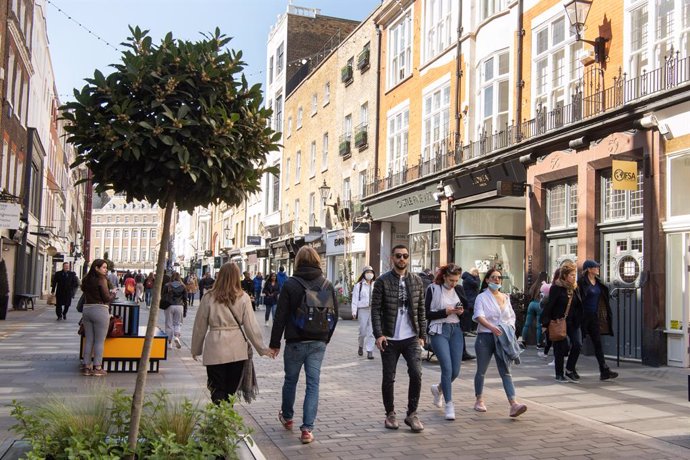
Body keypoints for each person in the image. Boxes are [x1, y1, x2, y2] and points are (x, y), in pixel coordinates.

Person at [270, 246, 338, 445]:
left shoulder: (291, 284)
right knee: (313, 384)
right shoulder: (326, 284)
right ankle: (307, 429)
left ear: (298, 261)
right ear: (317, 261)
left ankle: (288, 417)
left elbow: (280, 317)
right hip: (318, 343)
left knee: (290, 381)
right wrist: (326, 338)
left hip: (295, 342)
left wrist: (275, 344)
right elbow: (333, 317)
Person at [192, 263, 273, 404]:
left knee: (216, 388)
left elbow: (200, 326)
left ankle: (219, 419)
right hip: (236, 349)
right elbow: (251, 326)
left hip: (215, 347)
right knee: (230, 391)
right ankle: (225, 418)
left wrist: (196, 349)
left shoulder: (209, 297)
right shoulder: (243, 297)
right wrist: (262, 348)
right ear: (237, 277)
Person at [371, 244, 427, 433]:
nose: (402, 259)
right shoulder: (382, 281)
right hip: (390, 338)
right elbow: (376, 310)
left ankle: (412, 414)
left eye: (405, 256)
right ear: (392, 259)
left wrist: (422, 335)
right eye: (398, 256)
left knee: (416, 374)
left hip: (411, 337)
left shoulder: (417, 281)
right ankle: (390, 414)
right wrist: (379, 334)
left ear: (408, 258)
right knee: (389, 377)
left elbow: (421, 310)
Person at [472, 268, 527, 417]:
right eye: (493, 277)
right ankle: (479, 399)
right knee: (481, 370)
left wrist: (510, 330)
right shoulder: (482, 297)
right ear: (487, 280)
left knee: (506, 371)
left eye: (499, 278)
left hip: (502, 337)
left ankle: (513, 404)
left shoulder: (505, 297)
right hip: (485, 337)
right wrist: (491, 327)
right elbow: (478, 316)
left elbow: (511, 317)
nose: (497, 280)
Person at [425, 263, 468, 421]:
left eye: (456, 280)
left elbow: (466, 309)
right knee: (447, 368)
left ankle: (438, 389)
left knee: (455, 370)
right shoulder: (433, 289)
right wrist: (445, 312)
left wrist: (461, 311)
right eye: (451, 280)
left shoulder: (459, 289)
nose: (453, 283)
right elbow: (427, 313)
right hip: (438, 330)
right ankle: (449, 404)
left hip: (456, 329)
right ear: (444, 277)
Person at [542, 262, 583, 383]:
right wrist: (545, 323)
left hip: (573, 322)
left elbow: (578, 305)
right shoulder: (556, 288)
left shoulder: (575, 288)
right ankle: (559, 373)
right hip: (559, 321)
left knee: (577, 344)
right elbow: (550, 306)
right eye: (571, 275)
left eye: (574, 275)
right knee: (560, 348)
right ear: (564, 275)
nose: (573, 277)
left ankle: (570, 369)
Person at [578, 260, 618, 381]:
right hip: (582, 317)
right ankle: (569, 368)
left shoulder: (598, 283)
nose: (598, 268)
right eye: (595, 267)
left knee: (598, 343)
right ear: (589, 269)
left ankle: (604, 370)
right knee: (577, 343)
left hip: (594, 317)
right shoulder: (581, 283)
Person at [80, 259, 113, 377]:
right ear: (96, 268)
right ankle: (97, 367)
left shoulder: (86, 280)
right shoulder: (101, 279)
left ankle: (86, 367)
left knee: (89, 339)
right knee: (99, 341)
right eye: (104, 267)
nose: (106, 269)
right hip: (100, 310)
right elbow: (106, 298)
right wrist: (113, 293)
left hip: (87, 310)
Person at [351, 266, 376, 360]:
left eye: (371, 272)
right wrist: (354, 311)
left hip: (373, 310)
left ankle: (370, 351)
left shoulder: (376, 284)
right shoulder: (359, 285)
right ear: (364, 274)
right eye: (367, 272)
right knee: (362, 332)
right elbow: (355, 299)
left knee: (371, 332)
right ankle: (360, 346)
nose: (369, 274)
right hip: (362, 310)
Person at [519, 271, 549, 349]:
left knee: (526, 324)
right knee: (539, 326)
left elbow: (529, 293)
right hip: (539, 305)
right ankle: (538, 344)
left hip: (532, 304)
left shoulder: (534, 285)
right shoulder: (545, 285)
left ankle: (523, 341)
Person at [162, 272, 188, 349]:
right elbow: (185, 300)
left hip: (169, 306)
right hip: (179, 306)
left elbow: (163, 296)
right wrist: (185, 311)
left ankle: (169, 343)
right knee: (178, 323)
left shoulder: (167, 285)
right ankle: (176, 337)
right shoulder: (183, 286)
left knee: (169, 324)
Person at [462, 268, 480, 335]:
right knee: (469, 316)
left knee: (472, 315)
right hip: (470, 299)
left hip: (471, 298)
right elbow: (477, 284)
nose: (478, 275)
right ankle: (468, 330)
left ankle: (472, 329)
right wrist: (477, 277)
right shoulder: (469, 279)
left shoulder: (468, 278)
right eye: (477, 273)